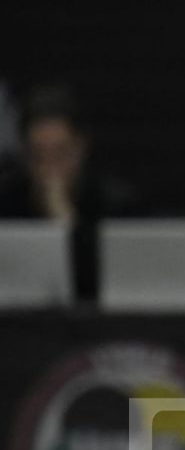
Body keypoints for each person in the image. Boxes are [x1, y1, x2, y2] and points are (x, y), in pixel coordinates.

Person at [0, 84, 135, 301]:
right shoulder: (6, 203)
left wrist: (66, 221)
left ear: (80, 149)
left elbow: (111, 283)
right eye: (38, 155)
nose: (49, 168)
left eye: (60, 154)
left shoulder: (113, 204)